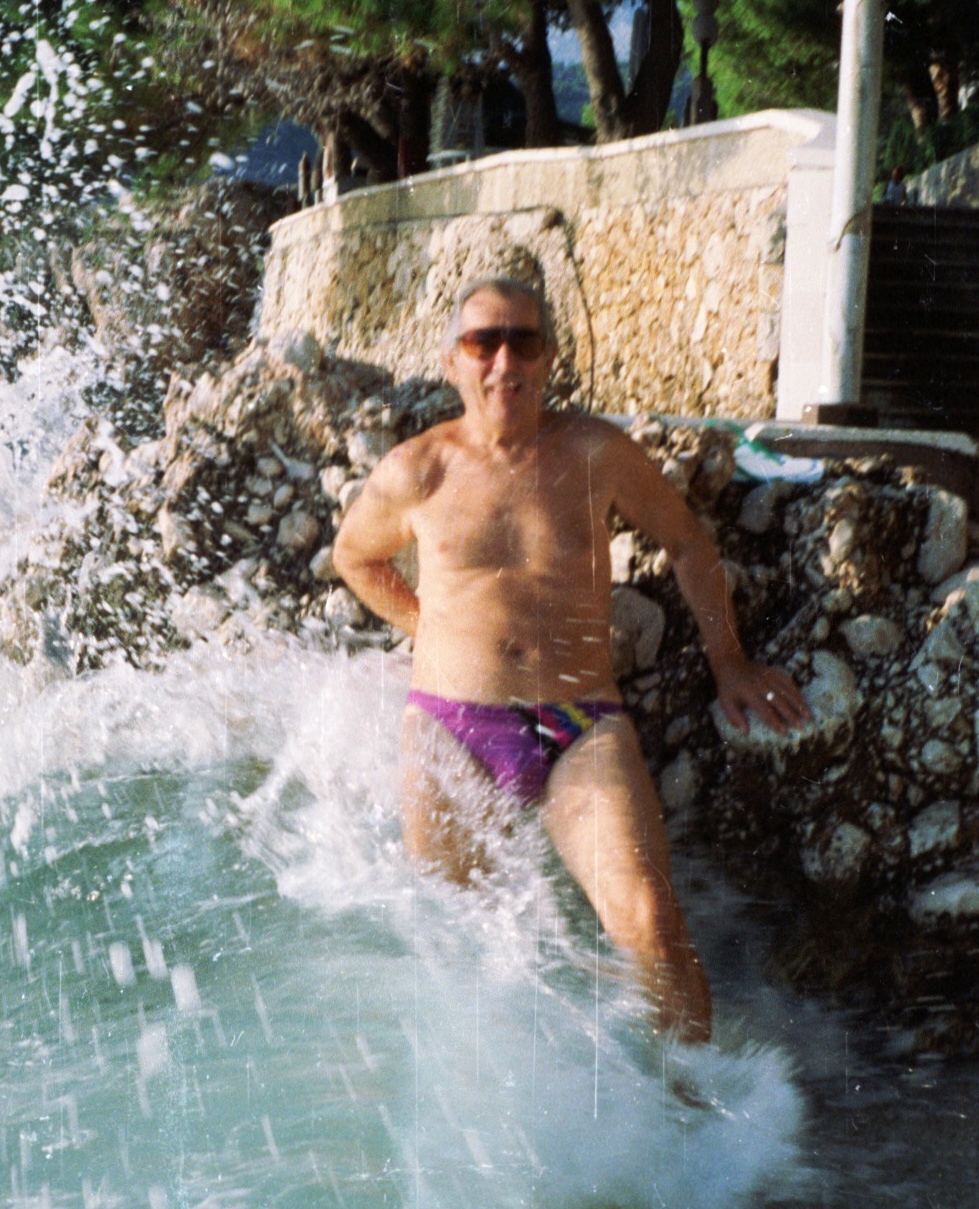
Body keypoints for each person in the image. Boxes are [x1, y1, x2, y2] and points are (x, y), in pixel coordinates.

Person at [332, 278, 809, 1042]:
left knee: (650, 923)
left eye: (523, 340)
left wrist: (731, 663)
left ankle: (698, 1126)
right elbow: (353, 557)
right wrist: (429, 627)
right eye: (482, 342)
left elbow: (685, 542)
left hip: (578, 724)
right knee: (447, 952)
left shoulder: (596, 452)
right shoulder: (417, 469)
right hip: (450, 729)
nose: (503, 361)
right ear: (453, 359)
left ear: (550, 356)